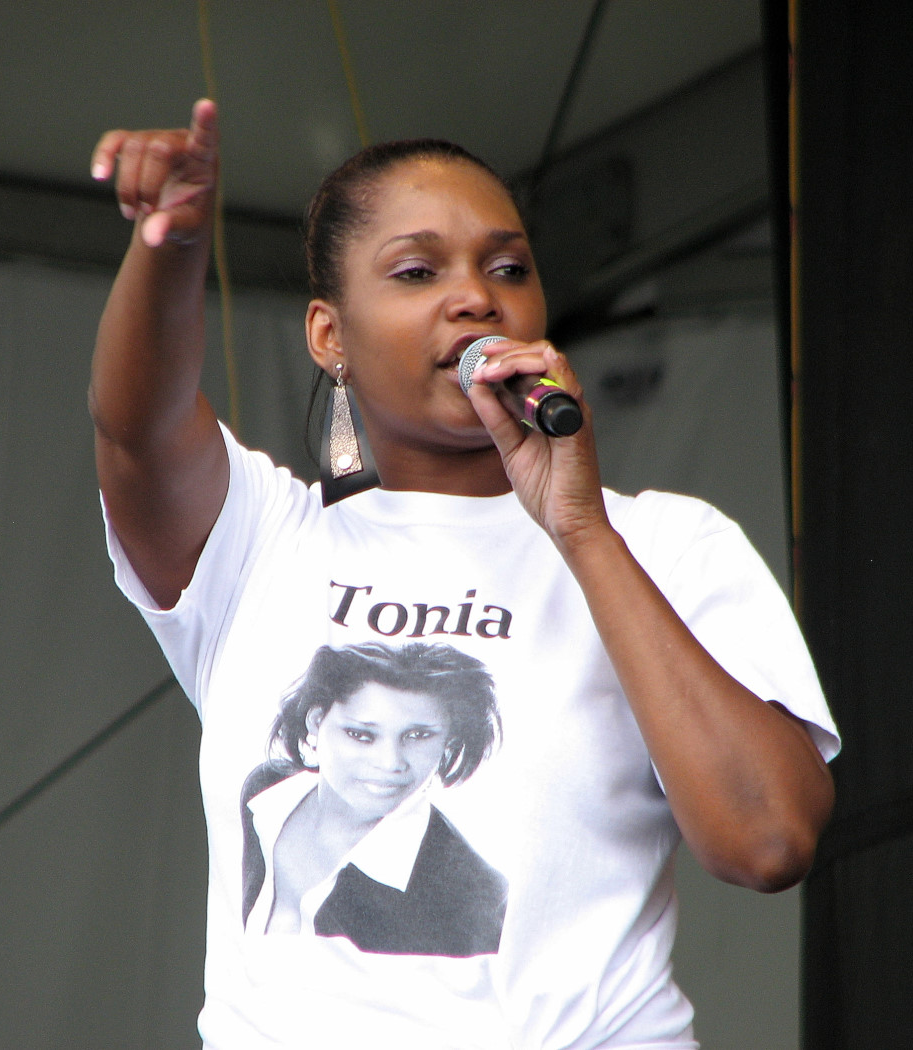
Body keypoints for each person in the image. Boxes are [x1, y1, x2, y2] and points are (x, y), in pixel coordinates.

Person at [89, 99, 839, 1049]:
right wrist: (171, 248)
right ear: (330, 337)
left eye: (509, 269)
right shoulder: (261, 540)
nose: (477, 296)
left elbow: (769, 839)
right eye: (416, 270)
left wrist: (580, 529)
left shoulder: (667, 546)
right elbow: (135, 429)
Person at [241, 641, 507, 958]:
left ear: (448, 742)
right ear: (316, 722)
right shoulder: (266, 793)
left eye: (418, 736)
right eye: (361, 735)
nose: (389, 762)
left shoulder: (471, 898)